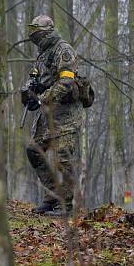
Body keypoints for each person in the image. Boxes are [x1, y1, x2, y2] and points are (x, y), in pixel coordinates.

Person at [20, 15, 85, 216]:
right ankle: (53, 196)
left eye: (37, 32)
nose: (35, 37)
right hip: (48, 115)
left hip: (66, 116)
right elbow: (41, 80)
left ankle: (66, 204)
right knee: (34, 151)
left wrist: (42, 98)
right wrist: (30, 94)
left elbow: (65, 83)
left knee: (63, 158)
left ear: (47, 32)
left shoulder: (64, 51)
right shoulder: (43, 54)